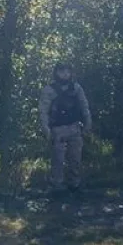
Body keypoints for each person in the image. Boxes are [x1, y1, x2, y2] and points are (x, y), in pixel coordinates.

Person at [38, 62, 92, 194]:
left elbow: (84, 106)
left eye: (68, 71)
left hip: (74, 127)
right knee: (58, 159)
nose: (65, 74)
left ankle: (74, 184)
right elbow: (43, 110)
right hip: (58, 129)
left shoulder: (76, 88)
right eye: (62, 71)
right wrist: (45, 128)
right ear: (56, 73)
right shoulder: (49, 90)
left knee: (75, 158)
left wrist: (88, 122)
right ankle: (57, 185)